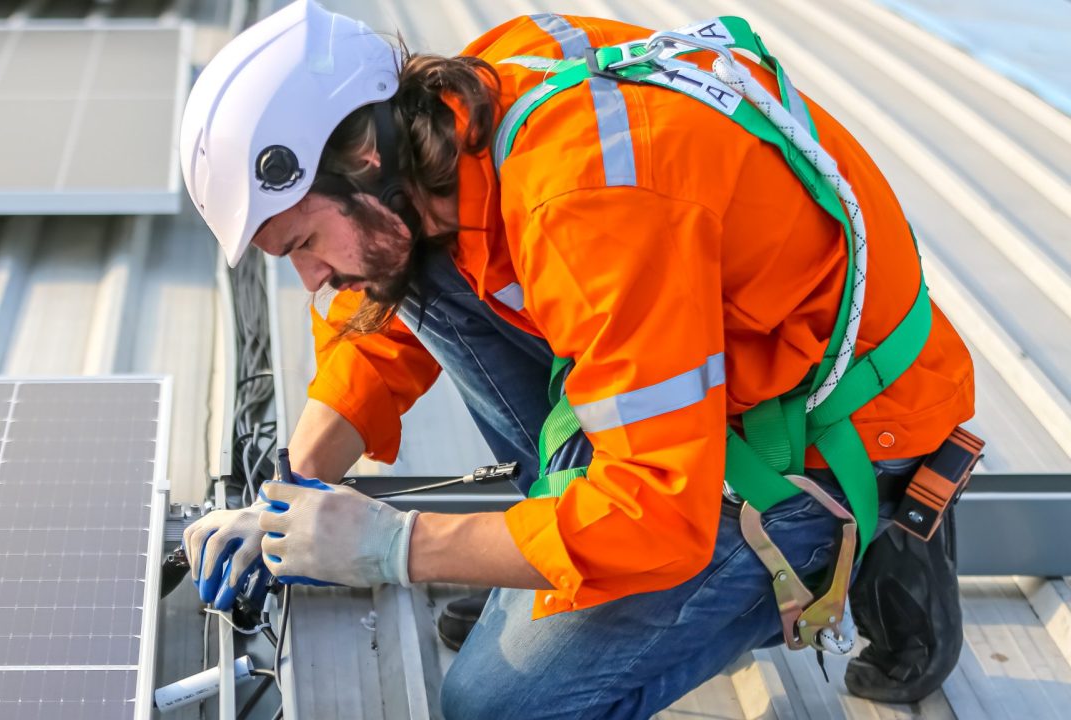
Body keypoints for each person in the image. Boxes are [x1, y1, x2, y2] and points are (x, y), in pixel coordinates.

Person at [178, 2, 976, 717]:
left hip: (822, 442)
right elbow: (372, 321)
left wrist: (397, 547)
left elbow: (659, 514)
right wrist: (292, 495)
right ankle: (560, 579)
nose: (311, 278)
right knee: (398, 271)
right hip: (706, 374)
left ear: (363, 159)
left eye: (303, 243)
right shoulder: (455, 116)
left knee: (497, 704)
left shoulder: (584, 198)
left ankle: (860, 544)